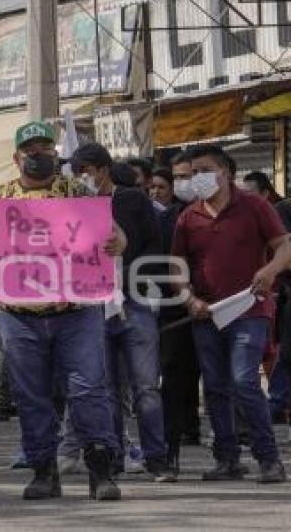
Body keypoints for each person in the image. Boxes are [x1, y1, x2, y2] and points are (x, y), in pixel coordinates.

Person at [0, 121, 124, 501]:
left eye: (45, 148)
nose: (39, 155)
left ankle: (101, 471)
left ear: (56, 153)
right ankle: (44, 471)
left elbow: (116, 235)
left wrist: (116, 242)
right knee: (31, 395)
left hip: (76, 312)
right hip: (18, 315)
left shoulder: (78, 192)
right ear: (17, 158)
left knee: (88, 390)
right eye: (30, 150)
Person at [172, 143, 291, 483]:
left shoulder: (254, 206)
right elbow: (177, 263)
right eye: (193, 172)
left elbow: (284, 245)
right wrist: (187, 297)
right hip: (206, 312)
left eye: (204, 170)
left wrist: (270, 271)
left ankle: (269, 458)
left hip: (249, 307)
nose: (197, 178)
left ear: (225, 172)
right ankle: (227, 458)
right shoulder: (188, 217)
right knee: (214, 387)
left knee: (243, 380)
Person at [71, 143, 173, 482]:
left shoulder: (132, 199)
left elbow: (154, 244)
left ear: (102, 169)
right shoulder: (72, 207)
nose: (82, 178)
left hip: (135, 302)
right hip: (93, 307)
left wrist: (126, 275)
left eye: (85, 170)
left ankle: (157, 458)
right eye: (76, 172)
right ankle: (112, 457)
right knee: (106, 387)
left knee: (146, 385)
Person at [159, 155, 201, 471]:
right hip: (176, 312)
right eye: (181, 178)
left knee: (228, 380)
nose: (185, 183)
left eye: (194, 175)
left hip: (222, 309)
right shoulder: (167, 218)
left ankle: (232, 449)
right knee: (174, 380)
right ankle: (169, 451)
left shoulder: (242, 212)